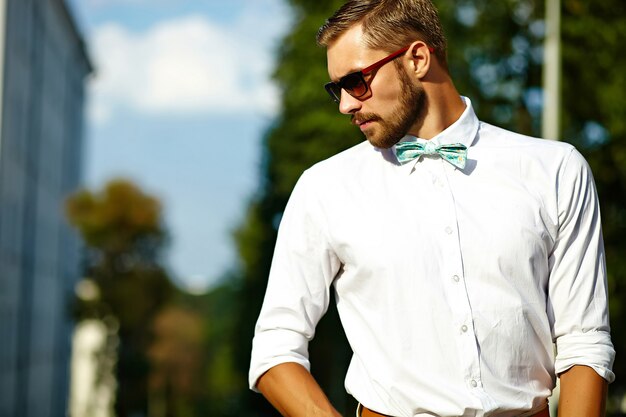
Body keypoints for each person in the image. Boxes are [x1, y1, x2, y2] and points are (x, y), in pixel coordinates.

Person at [248, 0, 615, 416]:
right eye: (337, 89)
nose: (346, 105)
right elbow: (275, 346)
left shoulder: (555, 169)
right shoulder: (325, 188)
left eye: (355, 82)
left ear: (418, 58)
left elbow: (584, 340)